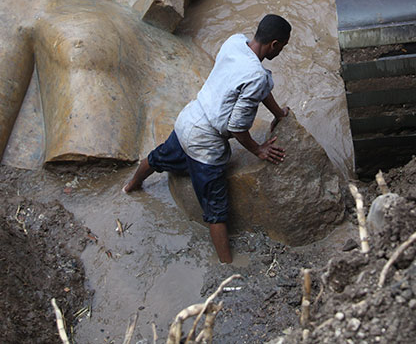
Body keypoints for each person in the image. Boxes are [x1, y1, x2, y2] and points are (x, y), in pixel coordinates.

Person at [123, 14, 292, 263]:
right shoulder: (256, 76)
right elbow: (236, 127)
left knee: (159, 157)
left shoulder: (236, 42)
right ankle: (226, 266)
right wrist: (258, 150)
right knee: (216, 209)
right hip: (205, 140)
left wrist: (278, 114)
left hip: (189, 118)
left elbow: (255, 85)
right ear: (275, 45)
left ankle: (131, 186)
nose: (282, 51)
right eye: (283, 47)